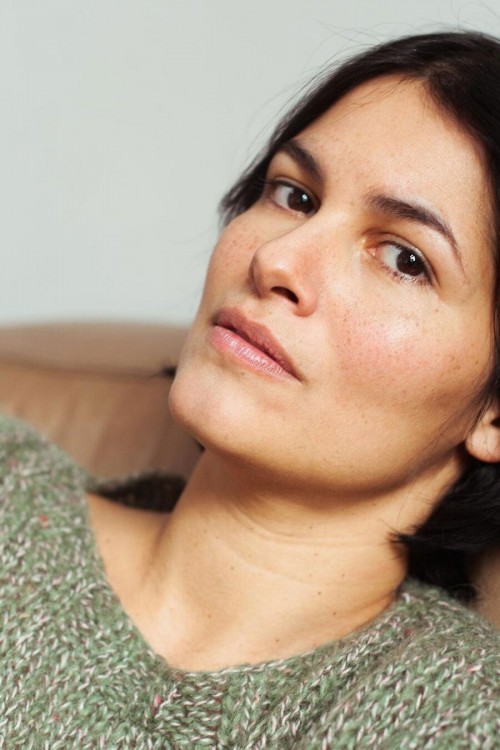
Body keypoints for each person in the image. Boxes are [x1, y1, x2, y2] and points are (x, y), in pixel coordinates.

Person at [1, 29, 500, 749]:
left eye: (403, 259)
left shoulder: (453, 714)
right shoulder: (12, 489)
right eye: (294, 195)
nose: (277, 258)